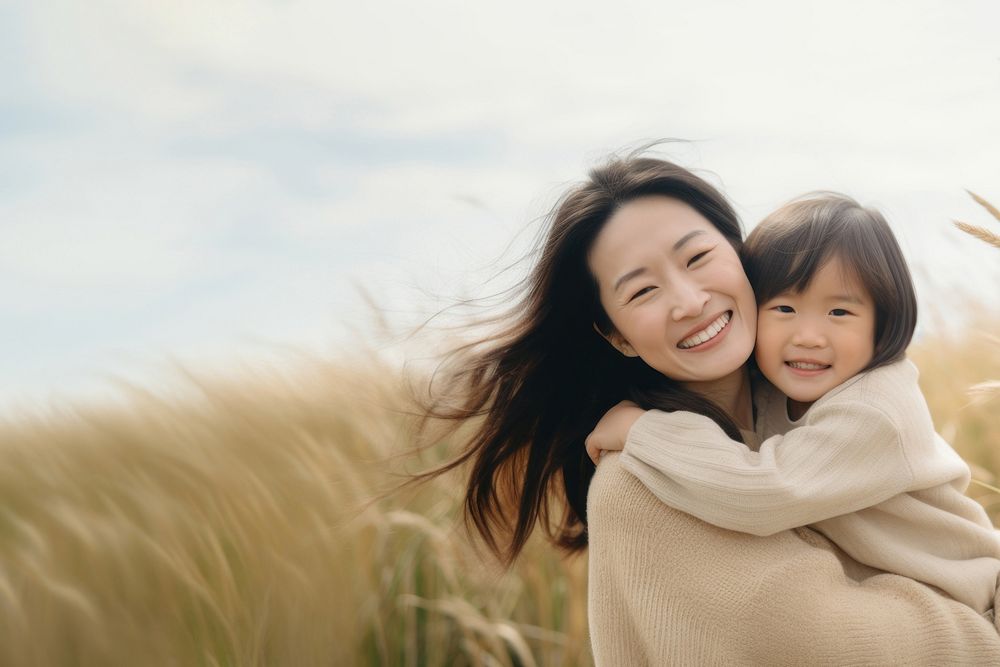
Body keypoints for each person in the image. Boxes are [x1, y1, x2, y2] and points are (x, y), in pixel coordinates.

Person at [418, 150, 1000, 664]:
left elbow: (773, 489)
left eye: (697, 258)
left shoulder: (831, 396)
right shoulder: (637, 483)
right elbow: (818, 644)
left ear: (741, 256)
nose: (689, 301)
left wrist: (644, 430)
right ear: (615, 334)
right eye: (642, 290)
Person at [584, 194, 1000, 624]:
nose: (808, 336)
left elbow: (769, 491)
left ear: (883, 322)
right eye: (784, 308)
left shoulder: (876, 410)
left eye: (839, 311)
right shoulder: (770, 391)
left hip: (968, 599)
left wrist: (641, 432)